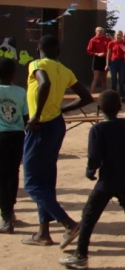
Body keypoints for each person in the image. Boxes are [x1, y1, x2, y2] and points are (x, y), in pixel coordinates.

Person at [57, 90, 125, 269]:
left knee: (89, 215)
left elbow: (94, 156)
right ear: (120, 107)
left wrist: (90, 171)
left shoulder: (98, 129)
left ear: (99, 108)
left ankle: (81, 254)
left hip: (107, 181)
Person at [23, 35, 93, 247]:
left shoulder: (36, 64)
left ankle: (68, 224)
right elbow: (86, 97)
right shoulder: (65, 70)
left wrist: (35, 116)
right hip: (56, 125)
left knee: (32, 184)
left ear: (38, 49)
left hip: (41, 126)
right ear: (58, 52)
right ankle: (43, 233)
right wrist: (64, 109)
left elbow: (44, 83)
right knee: (45, 180)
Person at [0, 58, 27, 234]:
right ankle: (10, 210)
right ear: (13, 74)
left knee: (2, 176)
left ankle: (6, 217)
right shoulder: (21, 92)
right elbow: (26, 118)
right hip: (18, 136)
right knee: (13, 173)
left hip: (1, 136)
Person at [86, 27, 110, 94]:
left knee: (104, 78)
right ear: (96, 32)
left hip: (105, 59)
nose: (100, 33)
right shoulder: (93, 40)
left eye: (101, 32)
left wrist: (105, 54)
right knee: (96, 77)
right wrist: (97, 54)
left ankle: (104, 94)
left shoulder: (107, 39)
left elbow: (110, 48)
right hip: (97, 59)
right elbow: (88, 50)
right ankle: (91, 94)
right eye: (98, 32)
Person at [106, 30, 125, 100]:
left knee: (121, 80)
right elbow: (108, 54)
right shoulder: (111, 43)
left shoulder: (124, 43)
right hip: (113, 62)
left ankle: (122, 95)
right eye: (117, 35)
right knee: (114, 79)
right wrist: (107, 64)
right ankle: (113, 96)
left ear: (122, 36)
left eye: (120, 35)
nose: (119, 36)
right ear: (114, 35)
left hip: (121, 62)